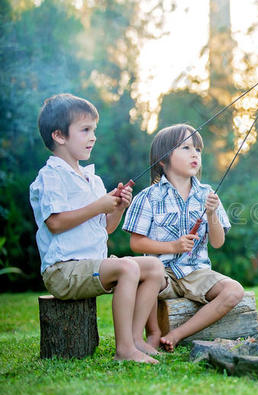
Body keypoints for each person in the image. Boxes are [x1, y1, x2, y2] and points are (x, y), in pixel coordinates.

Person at [29, 93, 166, 364]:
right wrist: (99, 205)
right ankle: (124, 349)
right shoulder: (51, 176)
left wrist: (117, 208)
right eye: (85, 130)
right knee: (127, 267)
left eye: (94, 130)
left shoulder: (92, 178)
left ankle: (136, 339)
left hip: (92, 264)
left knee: (153, 267)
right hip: (63, 270)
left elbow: (104, 229)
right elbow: (55, 223)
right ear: (59, 135)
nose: (93, 137)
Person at [123, 123, 244, 352]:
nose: (194, 154)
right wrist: (172, 246)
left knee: (234, 290)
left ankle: (177, 334)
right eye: (186, 148)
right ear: (162, 159)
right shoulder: (148, 197)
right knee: (144, 275)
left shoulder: (207, 194)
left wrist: (211, 214)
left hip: (196, 272)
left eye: (197, 149)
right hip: (162, 273)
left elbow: (218, 242)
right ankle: (153, 333)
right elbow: (136, 243)